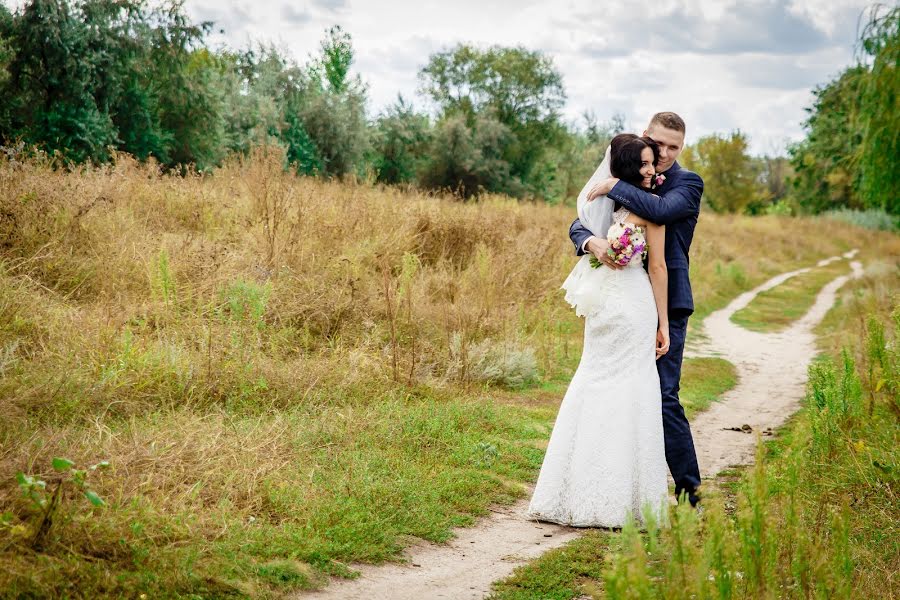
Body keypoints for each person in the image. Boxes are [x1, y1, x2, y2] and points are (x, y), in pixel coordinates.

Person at [527, 134, 670, 528]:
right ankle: (616, 496)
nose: (650, 170)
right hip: (622, 306)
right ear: (623, 169)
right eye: (642, 164)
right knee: (621, 385)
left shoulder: (621, 208)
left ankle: (578, 490)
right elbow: (657, 268)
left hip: (611, 303)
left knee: (598, 382)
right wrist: (664, 323)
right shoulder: (644, 210)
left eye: (650, 163)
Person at [571, 112, 703, 508]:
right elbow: (581, 222)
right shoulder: (630, 176)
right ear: (646, 136)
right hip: (619, 300)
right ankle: (613, 482)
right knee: (613, 389)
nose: (663, 154)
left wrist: (614, 184)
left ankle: (689, 492)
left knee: (663, 395)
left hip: (666, 304)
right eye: (657, 143)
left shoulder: (687, 183)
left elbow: (660, 212)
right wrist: (590, 243)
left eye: (673, 147)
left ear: (681, 148)